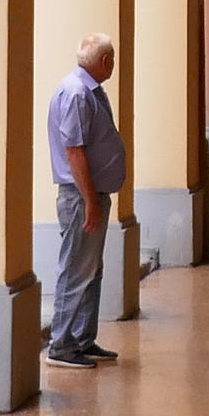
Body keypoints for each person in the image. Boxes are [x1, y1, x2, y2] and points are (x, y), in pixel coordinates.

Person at [44, 33, 126, 369]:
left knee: (90, 271)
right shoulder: (77, 93)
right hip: (80, 198)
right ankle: (61, 345)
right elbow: (73, 151)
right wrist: (90, 201)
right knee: (76, 270)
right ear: (105, 61)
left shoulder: (87, 89)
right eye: (113, 59)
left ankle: (81, 339)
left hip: (90, 196)